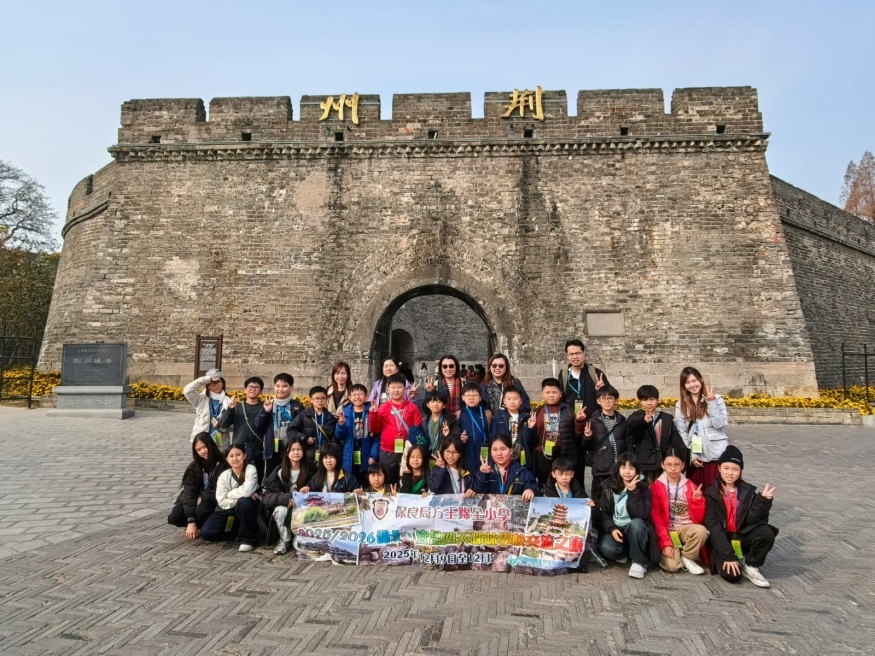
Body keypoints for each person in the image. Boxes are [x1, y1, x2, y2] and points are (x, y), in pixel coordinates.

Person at [704, 446, 778, 588]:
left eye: (735, 469)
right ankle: (735, 561)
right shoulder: (710, 493)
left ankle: (751, 565)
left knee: (767, 532)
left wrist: (762, 502)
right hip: (723, 541)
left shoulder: (747, 491)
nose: (730, 473)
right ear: (719, 468)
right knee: (732, 576)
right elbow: (713, 527)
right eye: (726, 468)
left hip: (741, 537)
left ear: (741, 471)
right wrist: (728, 555)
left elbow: (754, 521)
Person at [597, 453, 658, 578]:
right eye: (623, 467)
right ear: (618, 469)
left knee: (637, 523)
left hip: (635, 528)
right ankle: (627, 553)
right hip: (618, 528)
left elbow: (641, 514)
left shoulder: (643, 487)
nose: (627, 472)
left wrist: (633, 492)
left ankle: (639, 562)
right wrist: (612, 528)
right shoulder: (608, 486)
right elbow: (604, 512)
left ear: (637, 470)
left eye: (631, 468)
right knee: (607, 548)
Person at [558, 340, 610, 486]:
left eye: (578, 353)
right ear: (567, 356)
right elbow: (560, 400)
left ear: (584, 354)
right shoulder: (563, 375)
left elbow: (609, 396)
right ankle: (578, 493)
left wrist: (601, 389)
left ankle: (601, 494)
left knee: (600, 461)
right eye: (571, 354)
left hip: (594, 425)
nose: (575, 357)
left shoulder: (595, 373)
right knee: (576, 464)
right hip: (574, 427)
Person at [650, 447, 708, 575]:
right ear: (663, 465)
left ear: (683, 465)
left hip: (686, 528)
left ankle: (687, 557)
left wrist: (697, 501)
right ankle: (681, 554)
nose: (673, 468)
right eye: (669, 464)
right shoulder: (656, 487)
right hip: (668, 530)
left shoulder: (691, 485)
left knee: (701, 531)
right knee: (672, 567)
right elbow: (656, 517)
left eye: (677, 464)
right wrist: (665, 542)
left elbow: (699, 518)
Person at [674, 367, 730, 488]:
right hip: (696, 457)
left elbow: (720, 424)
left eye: (694, 380)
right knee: (696, 492)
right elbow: (681, 432)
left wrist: (711, 403)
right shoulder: (681, 404)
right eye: (687, 382)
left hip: (716, 454)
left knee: (716, 492)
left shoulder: (716, 399)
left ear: (701, 380)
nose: (692, 385)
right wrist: (692, 456)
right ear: (683, 385)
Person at [200, 444, 262, 552]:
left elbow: (247, 490)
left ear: (244, 456)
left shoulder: (250, 469)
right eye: (231, 456)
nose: (235, 458)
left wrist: (229, 494)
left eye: (238, 455)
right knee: (207, 532)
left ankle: (247, 539)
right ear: (227, 459)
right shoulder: (224, 475)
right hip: (226, 511)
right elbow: (222, 501)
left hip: (245, 508)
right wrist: (241, 497)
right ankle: (235, 531)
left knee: (245, 502)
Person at [527, 378, 587, 487]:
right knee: (544, 484)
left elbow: (577, 433)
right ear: (542, 394)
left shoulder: (567, 410)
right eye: (547, 392)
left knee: (564, 484)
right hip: (543, 454)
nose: (551, 395)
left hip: (563, 453)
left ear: (560, 394)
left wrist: (579, 421)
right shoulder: (538, 411)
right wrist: (530, 428)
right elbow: (532, 437)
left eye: (554, 392)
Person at [167, 432, 227, 539]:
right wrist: (191, 520)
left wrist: (203, 497)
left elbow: (224, 491)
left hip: (214, 501)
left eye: (204, 447)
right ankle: (195, 525)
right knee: (176, 514)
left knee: (202, 510)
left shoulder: (223, 464)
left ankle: (205, 526)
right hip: (196, 499)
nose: (202, 451)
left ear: (211, 444)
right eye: (198, 449)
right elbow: (189, 491)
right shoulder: (194, 467)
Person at [262, 437, 313, 555]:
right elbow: (266, 497)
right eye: (292, 450)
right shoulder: (279, 471)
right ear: (287, 452)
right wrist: (285, 498)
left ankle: (298, 537)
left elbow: (317, 492)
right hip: (286, 507)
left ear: (304, 451)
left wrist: (306, 492)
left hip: (303, 507)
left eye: (299, 449)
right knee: (280, 510)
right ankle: (284, 540)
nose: (296, 452)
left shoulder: (310, 470)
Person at [369, 374, 423, 485]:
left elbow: (418, 429)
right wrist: (373, 415)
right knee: (388, 481)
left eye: (399, 387)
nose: (396, 390)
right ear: (388, 389)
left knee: (407, 481)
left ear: (405, 389)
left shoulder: (412, 407)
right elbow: (375, 430)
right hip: (387, 452)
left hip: (407, 451)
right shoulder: (383, 408)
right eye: (393, 387)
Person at [627, 385, 688, 483]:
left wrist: (682, 462)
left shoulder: (667, 419)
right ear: (640, 401)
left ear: (657, 400)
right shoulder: (635, 418)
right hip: (644, 465)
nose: (649, 403)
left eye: (652, 399)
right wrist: (644, 423)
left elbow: (676, 442)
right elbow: (634, 431)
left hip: (664, 463)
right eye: (645, 400)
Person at [582, 386, 628, 503]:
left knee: (620, 501)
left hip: (620, 469)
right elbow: (587, 447)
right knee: (599, 502)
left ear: (616, 401)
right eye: (603, 398)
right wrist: (588, 437)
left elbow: (629, 443)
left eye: (610, 398)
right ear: (598, 401)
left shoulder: (622, 421)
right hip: (601, 469)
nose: (607, 401)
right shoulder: (592, 421)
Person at [218, 376, 267, 481]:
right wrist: (230, 409)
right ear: (245, 390)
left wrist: (267, 411)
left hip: (257, 449)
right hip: (239, 448)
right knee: (238, 477)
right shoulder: (237, 406)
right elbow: (224, 424)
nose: (253, 389)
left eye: (256, 387)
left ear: (261, 391)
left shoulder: (265, 407)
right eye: (250, 387)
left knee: (257, 477)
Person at [254, 373, 304, 473]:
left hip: (292, 449)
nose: (280, 389)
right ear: (274, 386)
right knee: (272, 476)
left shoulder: (297, 405)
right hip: (272, 449)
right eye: (277, 386)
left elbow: (303, 426)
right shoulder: (268, 404)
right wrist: (266, 412)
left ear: (291, 387)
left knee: (291, 474)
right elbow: (258, 426)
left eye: (284, 386)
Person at [335, 383, 378, 487]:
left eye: (360, 394)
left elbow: (377, 436)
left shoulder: (371, 411)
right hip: (350, 453)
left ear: (366, 396)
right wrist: (341, 425)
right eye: (354, 394)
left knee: (364, 482)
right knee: (350, 482)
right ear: (349, 397)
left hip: (366, 452)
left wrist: (373, 455)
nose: (357, 397)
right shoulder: (345, 413)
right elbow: (339, 436)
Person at [472, 434, 538, 499]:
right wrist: (483, 475)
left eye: (503, 449)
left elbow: (535, 487)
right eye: (495, 450)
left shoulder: (521, 472)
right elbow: (478, 494)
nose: (499, 453)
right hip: (492, 506)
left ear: (511, 451)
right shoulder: (485, 471)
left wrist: (531, 490)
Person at [289, 386, 338, 466]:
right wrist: (305, 438)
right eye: (317, 398)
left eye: (323, 398)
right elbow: (291, 430)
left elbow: (334, 437)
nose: (320, 401)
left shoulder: (330, 417)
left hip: (325, 456)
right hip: (306, 455)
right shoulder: (304, 415)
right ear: (311, 400)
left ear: (326, 399)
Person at [182, 368, 233, 445]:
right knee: (205, 452)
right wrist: (207, 379)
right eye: (212, 383)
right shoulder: (200, 399)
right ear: (208, 385)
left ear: (223, 384)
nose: (216, 385)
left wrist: (223, 426)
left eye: (218, 382)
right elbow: (187, 390)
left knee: (219, 452)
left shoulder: (228, 401)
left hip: (220, 438)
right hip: (203, 437)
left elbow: (234, 423)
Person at [489, 385, 533, 472]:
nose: (512, 402)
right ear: (504, 401)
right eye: (509, 399)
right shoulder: (499, 418)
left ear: (520, 401)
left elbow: (532, 441)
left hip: (522, 455)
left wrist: (531, 428)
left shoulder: (526, 418)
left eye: (515, 399)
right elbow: (493, 438)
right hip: (505, 455)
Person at [456, 383, 492, 475]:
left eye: (475, 395)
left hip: (484, 451)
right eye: (468, 395)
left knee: (484, 475)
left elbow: (491, 433)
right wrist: (460, 438)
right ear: (463, 397)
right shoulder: (459, 414)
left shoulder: (487, 414)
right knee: (468, 477)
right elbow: (455, 436)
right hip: (466, 453)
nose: (471, 398)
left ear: (480, 398)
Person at [421, 390, 459, 454]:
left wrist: (448, 435)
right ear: (428, 405)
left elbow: (457, 440)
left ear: (444, 405)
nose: (435, 404)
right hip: (428, 455)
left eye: (439, 402)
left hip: (445, 456)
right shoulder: (424, 423)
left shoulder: (450, 420)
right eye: (432, 401)